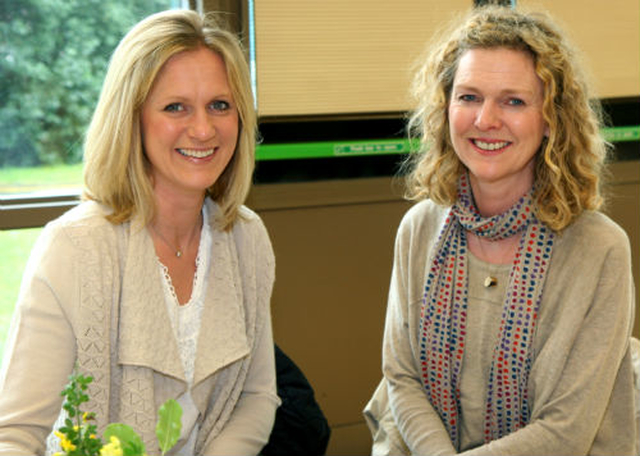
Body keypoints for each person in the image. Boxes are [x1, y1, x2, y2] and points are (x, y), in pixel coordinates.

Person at [0, 9, 280, 456]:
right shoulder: (74, 248)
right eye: (176, 107)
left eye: (220, 105)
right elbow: (13, 434)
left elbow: (256, 396)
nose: (204, 128)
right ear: (132, 118)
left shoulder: (246, 237)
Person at [364, 5, 637, 455]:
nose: (486, 120)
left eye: (513, 101)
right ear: (445, 107)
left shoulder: (600, 249)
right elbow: (403, 377)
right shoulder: (419, 228)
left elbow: (565, 431)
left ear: (551, 119)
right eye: (469, 97)